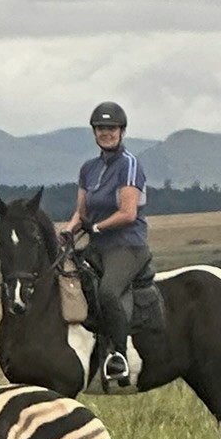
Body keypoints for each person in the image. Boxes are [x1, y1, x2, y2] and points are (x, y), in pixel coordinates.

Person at [58, 100, 149, 385]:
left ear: (121, 131)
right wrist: (68, 231)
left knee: (109, 291)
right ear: (94, 132)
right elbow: (81, 212)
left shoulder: (129, 165)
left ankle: (118, 356)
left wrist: (97, 226)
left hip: (127, 246)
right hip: (96, 246)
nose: (106, 132)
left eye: (111, 128)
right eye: (100, 128)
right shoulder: (88, 169)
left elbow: (128, 212)